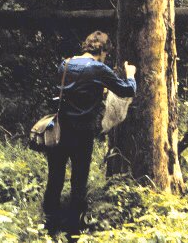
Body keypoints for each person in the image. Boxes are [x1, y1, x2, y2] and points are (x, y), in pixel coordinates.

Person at [43, 31, 137, 238]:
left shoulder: (65, 64)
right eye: (106, 53)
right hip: (82, 133)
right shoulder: (98, 68)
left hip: (59, 130)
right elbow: (126, 90)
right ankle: (73, 233)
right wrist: (130, 74)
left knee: (55, 178)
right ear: (102, 50)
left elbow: (69, 91)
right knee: (79, 182)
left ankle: (49, 228)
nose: (105, 58)